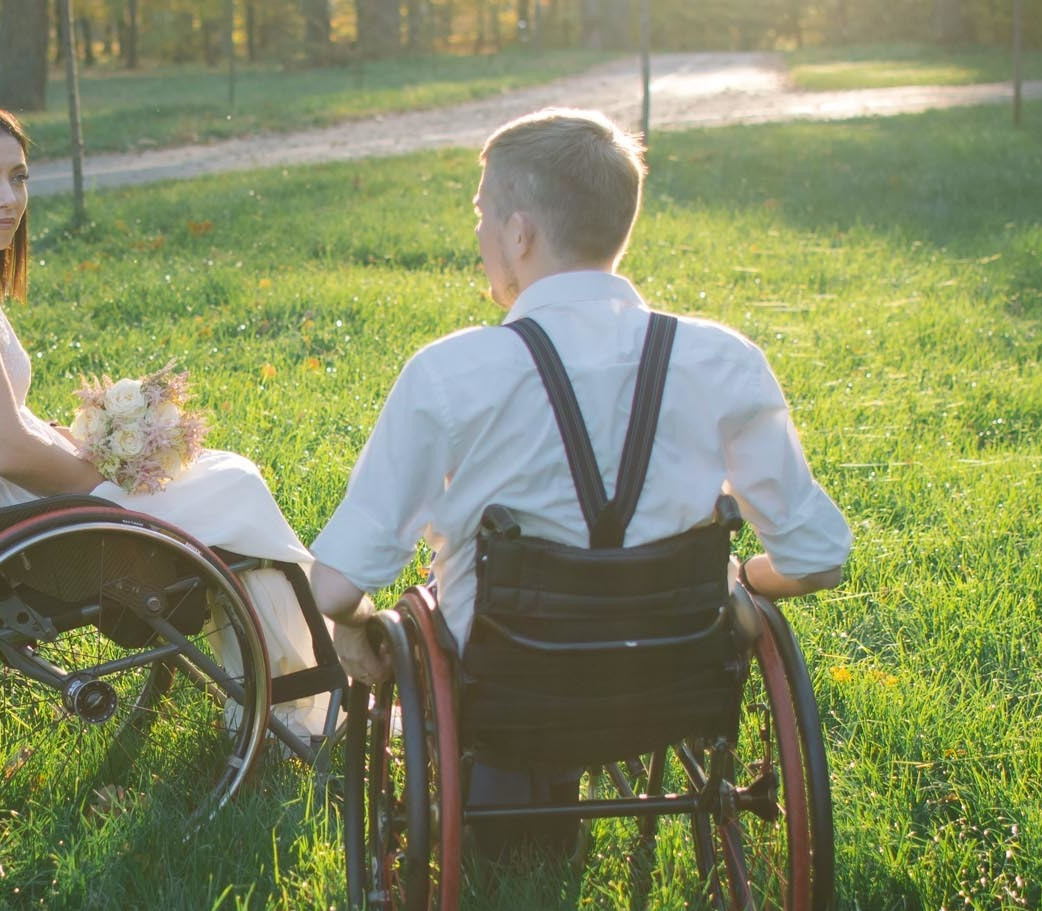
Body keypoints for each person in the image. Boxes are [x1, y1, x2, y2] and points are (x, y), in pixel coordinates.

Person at [307, 107, 851, 851]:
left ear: (520, 233)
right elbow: (819, 558)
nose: (478, 235)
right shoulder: (724, 360)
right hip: (671, 675)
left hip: (503, 685)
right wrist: (745, 584)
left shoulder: (450, 373)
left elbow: (334, 587)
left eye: (482, 216)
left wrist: (355, 627)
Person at [0, 102, 327, 735]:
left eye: (18, 177)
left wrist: (84, 443)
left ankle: (273, 681)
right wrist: (104, 487)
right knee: (237, 483)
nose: (9, 198)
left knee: (221, 472)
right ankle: (300, 693)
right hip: (23, 515)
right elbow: (4, 446)